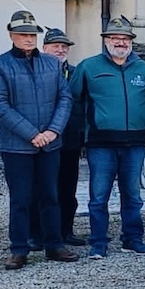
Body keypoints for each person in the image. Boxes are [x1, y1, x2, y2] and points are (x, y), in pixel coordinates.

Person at [0, 10, 78, 270]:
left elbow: (64, 98)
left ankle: (54, 244)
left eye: (32, 34)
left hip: (50, 142)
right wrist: (32, 134)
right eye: (23, 34)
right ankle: (19, 248)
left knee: (51, 194)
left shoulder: (51, 63)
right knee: (21, 198)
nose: (29, 39)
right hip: (17, 146)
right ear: (11, 35)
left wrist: (52, 131)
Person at [68, 16, 145, 259]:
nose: (120, 42)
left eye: (125, 38)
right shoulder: (89, 67)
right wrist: (84, 134)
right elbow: (75, 101)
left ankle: (133, 239)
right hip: (101, 144)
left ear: (131, 42)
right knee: (99, 196)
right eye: (115, 38)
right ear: (106, 41)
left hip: (134, 143)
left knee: (133, 196)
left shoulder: (143, 68)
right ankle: (98, 242)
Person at [33, 27, 86, 247]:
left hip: (70, 141)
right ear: (44, 48)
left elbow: (84, 104)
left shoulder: (75, 73)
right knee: (42, 189)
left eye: (64, 47)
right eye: (56, 46)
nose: (60, 50)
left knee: (68, 189)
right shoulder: (35, 71)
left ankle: (66, 231)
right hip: (43, 141)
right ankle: (37, 234)